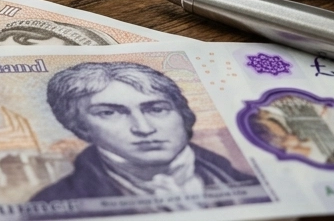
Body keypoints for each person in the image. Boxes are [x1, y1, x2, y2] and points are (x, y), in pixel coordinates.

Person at [31, 62, 260, 208]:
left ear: (183, 115)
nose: (143, 128)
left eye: (157, 109)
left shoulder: (251, 185)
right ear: (79, 126)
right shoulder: (53, 204)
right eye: (109, 112)